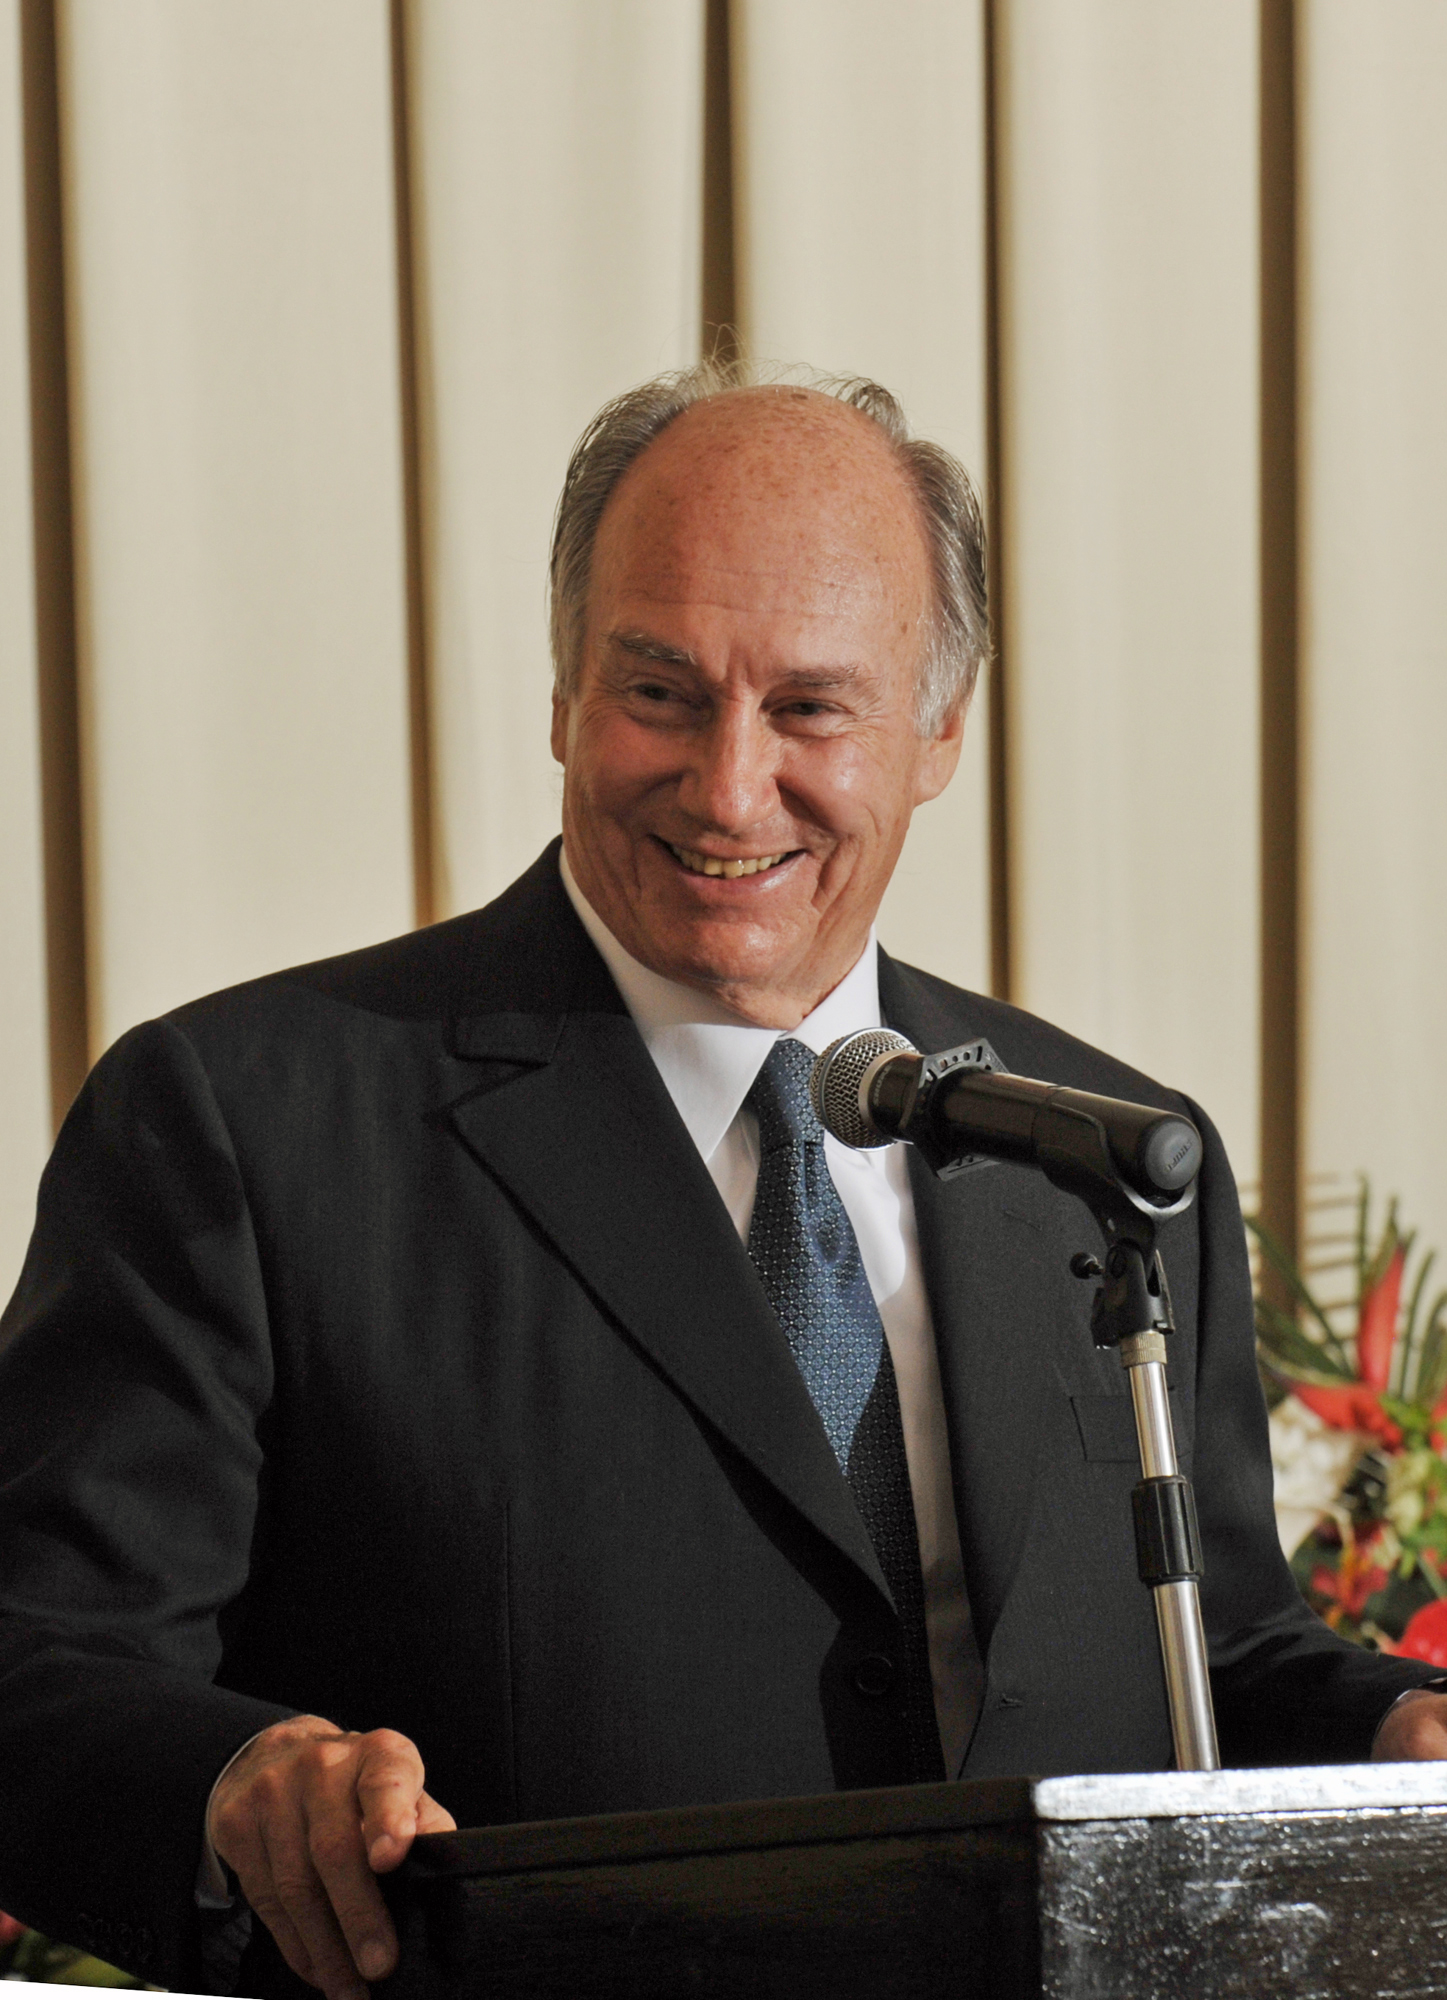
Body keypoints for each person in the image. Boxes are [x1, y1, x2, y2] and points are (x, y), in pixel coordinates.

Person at [1, 363, 1443, 2000]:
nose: (729, 786)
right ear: (561, 691)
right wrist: (241, 1783)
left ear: (939, 731)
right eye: (662, 693)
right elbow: (38, 1668)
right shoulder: (244, 1122)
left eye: (811, 708)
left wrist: (1388, 1726)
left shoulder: (1107, 1152)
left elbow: (1212, 1656)